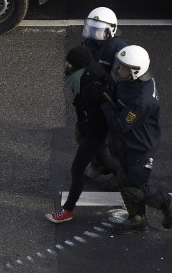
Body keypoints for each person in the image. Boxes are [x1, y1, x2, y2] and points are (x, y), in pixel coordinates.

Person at [100, 45, 172, 234]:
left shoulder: (141, 100)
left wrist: (105, 105)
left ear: (135, 72)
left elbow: (120, 123)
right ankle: (137, 218)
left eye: (123, 68)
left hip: (140, 147)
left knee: (135, 187)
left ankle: (169, 205)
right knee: (124, 178)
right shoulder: (134, 81)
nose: (119, 70)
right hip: (130, 142)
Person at [47, 46, 120, 223]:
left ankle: (68, 210)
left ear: (78, 66)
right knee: (104, 158)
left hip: (94, 132)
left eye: (69, 63)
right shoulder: (85, 75)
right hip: (89, 128)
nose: (66, 65)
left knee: (76, 169)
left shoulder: (91, 87)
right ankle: (124, 176)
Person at [81, 7, 127, 180]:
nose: (94, 34)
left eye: (98, 30)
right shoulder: (89, 43)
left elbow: (119, 79)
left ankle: (120, 175)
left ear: (111, 30)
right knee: (86, 134)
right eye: (91, 29)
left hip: (109, 100)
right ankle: (98, 163)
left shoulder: (119, 49)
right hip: (91, 98)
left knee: (116, 142)